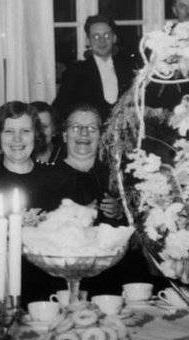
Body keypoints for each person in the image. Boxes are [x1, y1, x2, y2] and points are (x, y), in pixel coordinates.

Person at [0, 102, 65, 301]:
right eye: (9, 131)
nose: (17, 139)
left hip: (48, 287)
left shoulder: (57, 180)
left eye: (25, 131)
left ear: (36, 134)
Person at [51, 105, 150, 294]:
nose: (84, 133)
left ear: (101, 136)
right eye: (76, 127)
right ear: (64, 135)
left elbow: (139, 224)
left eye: (92, 128)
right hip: (65, 274)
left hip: (114, 274)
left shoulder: (119, 175)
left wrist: (121, 211)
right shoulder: (48, 177)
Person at [53, 15, 137, 122]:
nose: (102, 41)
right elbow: (60, 109)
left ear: (114, 38)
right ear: (88, 41)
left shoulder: (130, 68)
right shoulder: (75, 72)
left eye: (106, 35)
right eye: (96, 37)